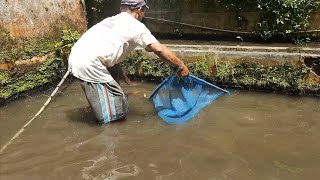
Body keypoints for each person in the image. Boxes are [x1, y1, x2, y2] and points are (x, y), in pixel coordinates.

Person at [68, 0, 189, 124]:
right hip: (89, 63)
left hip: (80, 55)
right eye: (143, 10)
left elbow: (107, 47)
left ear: (122, 8)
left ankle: (102, 105)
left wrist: (120, 70)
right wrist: (181, 65)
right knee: (117, 114)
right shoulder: (136, 26)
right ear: (140, 9)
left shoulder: (111, 20)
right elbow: (158, 49)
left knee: (115, 95)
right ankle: (109, 131)